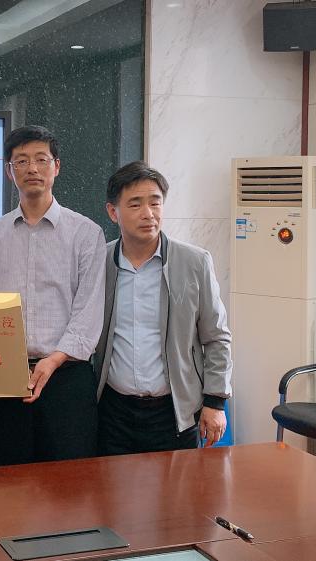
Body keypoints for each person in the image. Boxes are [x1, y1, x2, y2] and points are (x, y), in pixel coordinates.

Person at [0, 125, 108, 466]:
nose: (32, 168)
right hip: (8, 380)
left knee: (68, 481)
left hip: (67, 379)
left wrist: (53, 360)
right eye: (21, 161)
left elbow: (88, 311)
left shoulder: (86, 233)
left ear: (56, 166)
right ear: (9, 171)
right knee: (9, 478)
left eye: (41, 159)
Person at [95, 161, 231, 455]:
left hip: (174, 412)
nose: (148, 213)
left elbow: (217, 336)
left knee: (176, 485)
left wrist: (215, 402)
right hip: (113, 411)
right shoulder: (99, 262)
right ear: (113, 212)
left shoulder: (194, 262)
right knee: (112, 484)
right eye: (135, 204)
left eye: (155, 203)